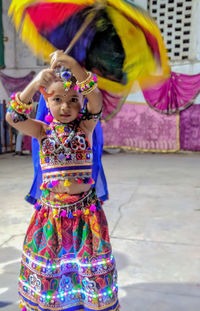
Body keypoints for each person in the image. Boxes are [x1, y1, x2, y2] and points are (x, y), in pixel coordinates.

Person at [6, 50, 119, 311]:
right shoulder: (42, 131)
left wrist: (72, 65)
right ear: (47, 100)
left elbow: (96, 98)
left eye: (73, 100)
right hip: (51, 214)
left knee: (87, 272)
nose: (65, 106)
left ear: (81, 103)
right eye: (57, 99)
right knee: (52, 272)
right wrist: (35, 83)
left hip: (86, 214)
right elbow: (14, 117)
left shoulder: (86, 127)